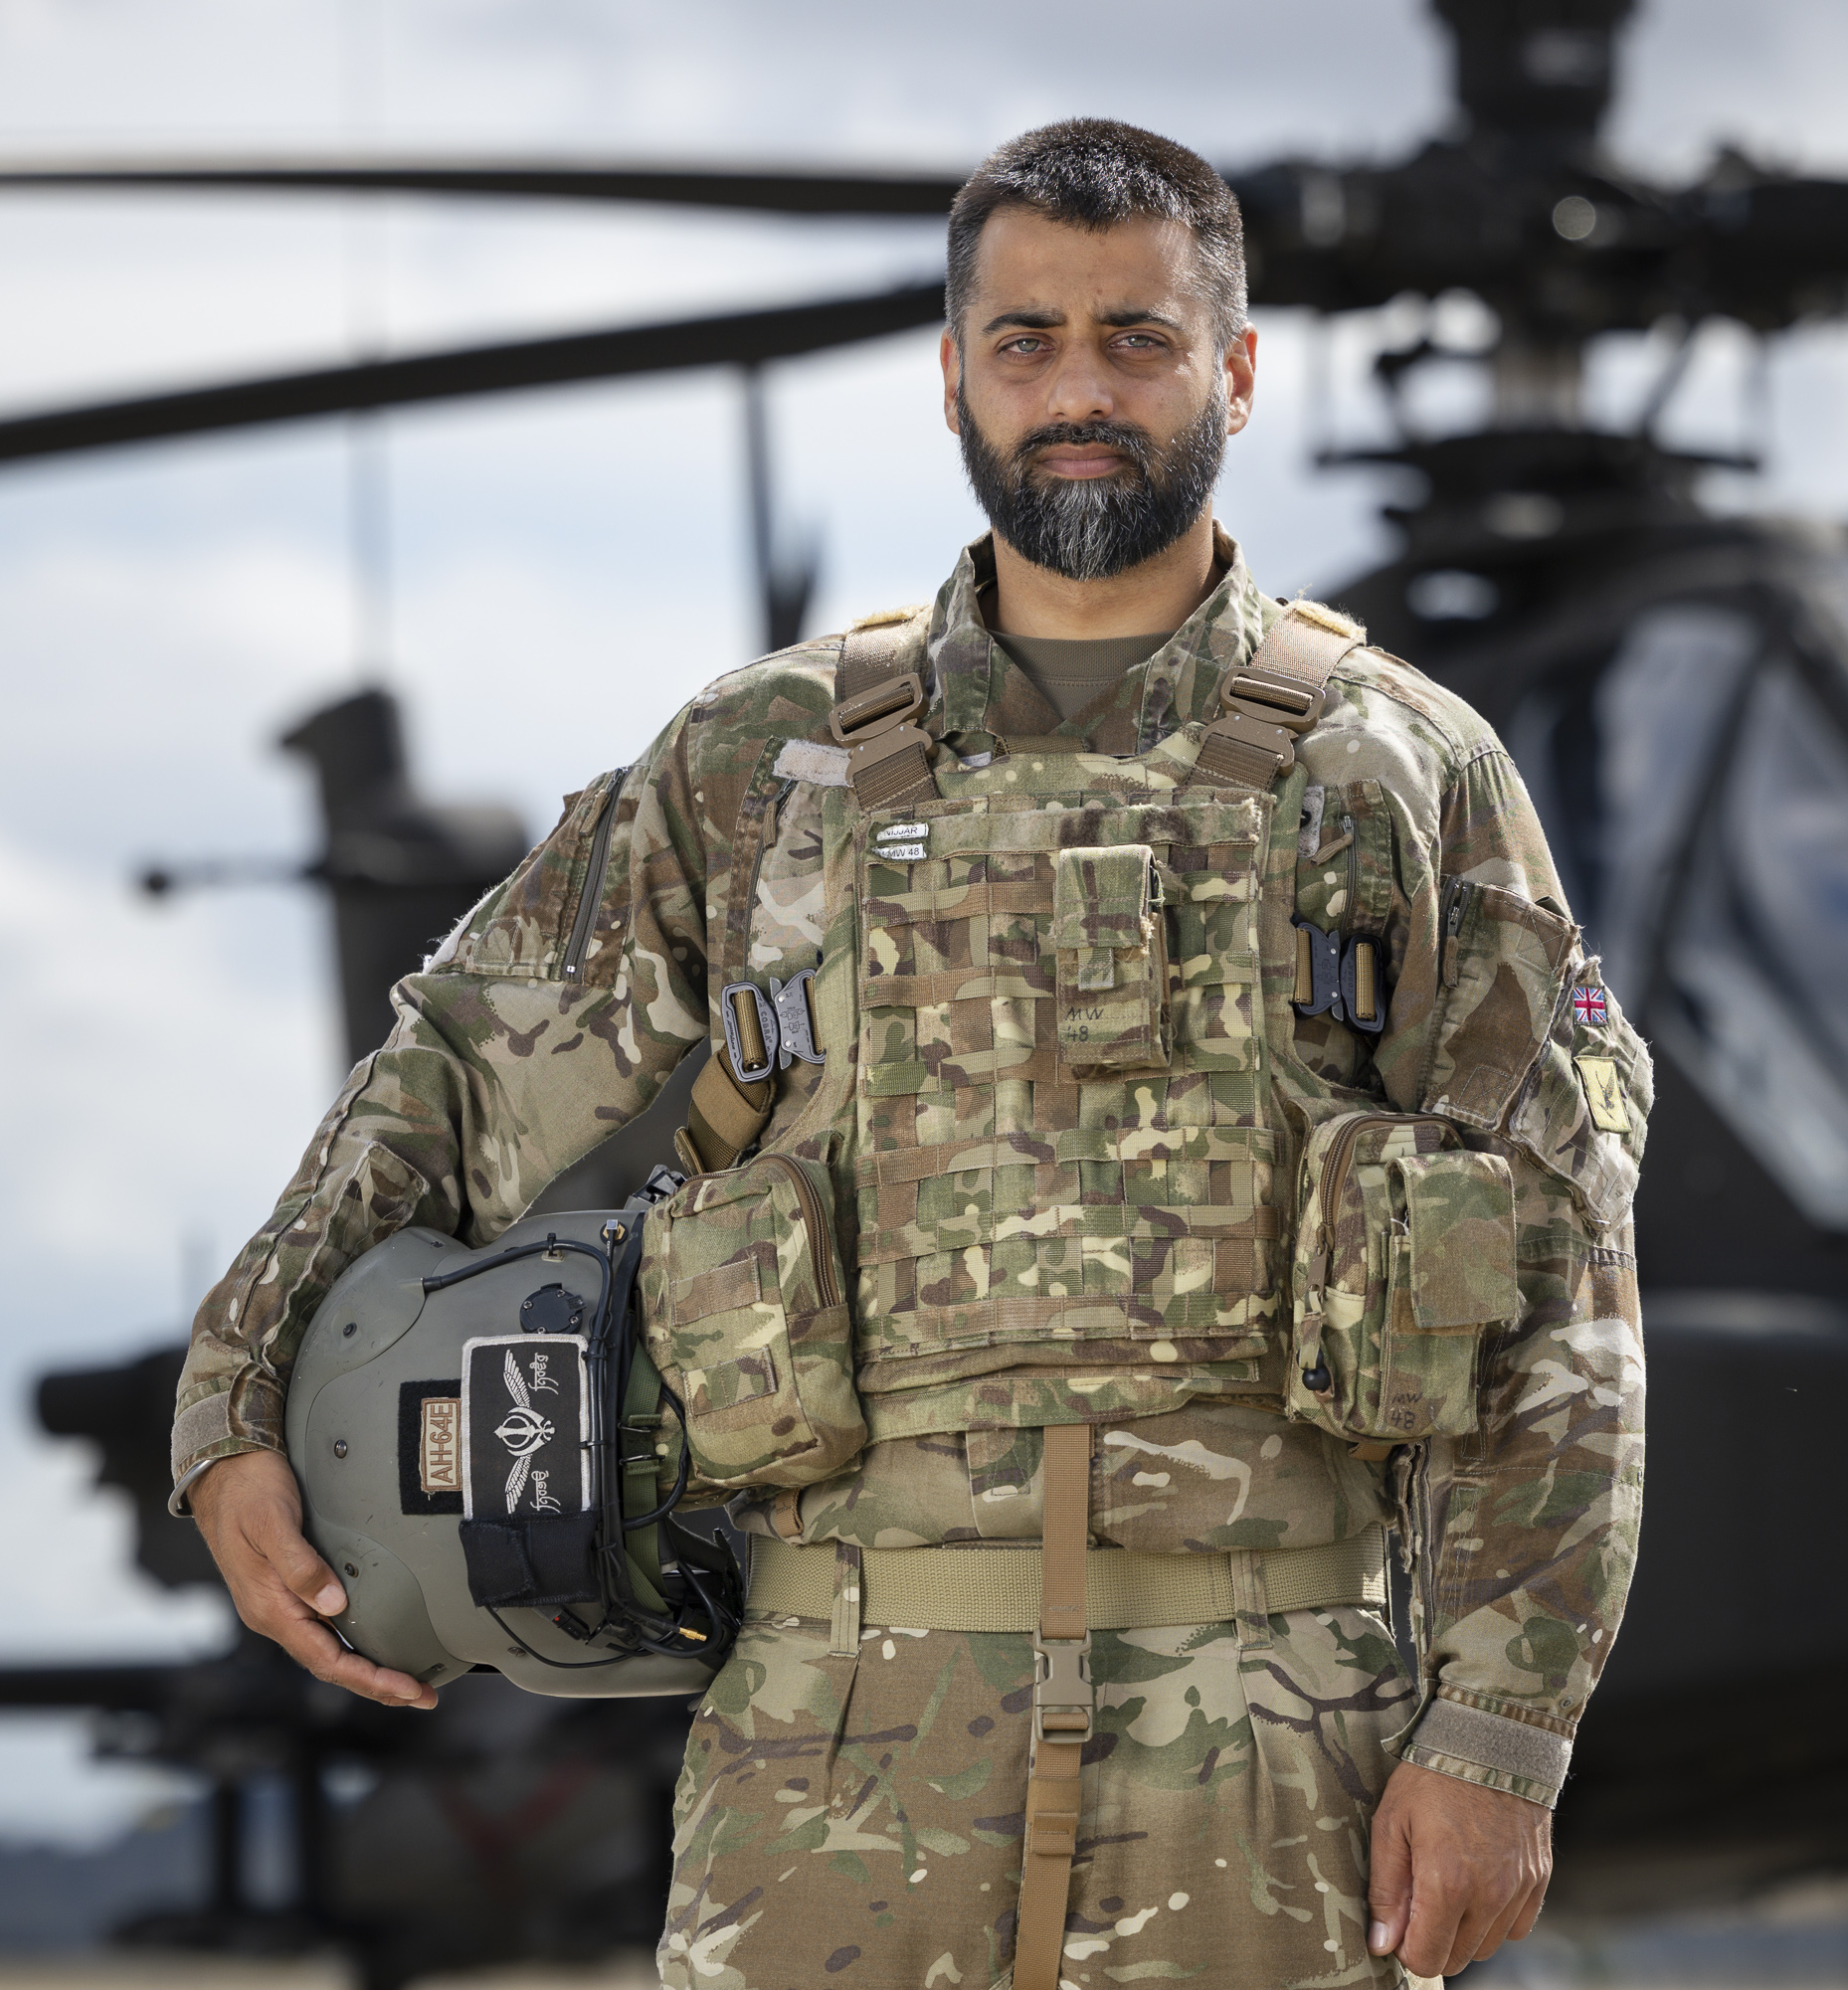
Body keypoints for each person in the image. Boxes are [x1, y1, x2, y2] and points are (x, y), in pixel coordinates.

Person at [169, 118, 1651, 1990]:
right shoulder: (758, 763)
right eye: (1026, 343)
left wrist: (1501, 1735)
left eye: (1139, 339)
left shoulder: (1404, 773)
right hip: (832, 1756)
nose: (1079, 392)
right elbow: (457, 1072)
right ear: (952, 376)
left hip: (1281, 1755)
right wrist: (233, 1399)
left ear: (1240, 371)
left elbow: (1568, 1284)